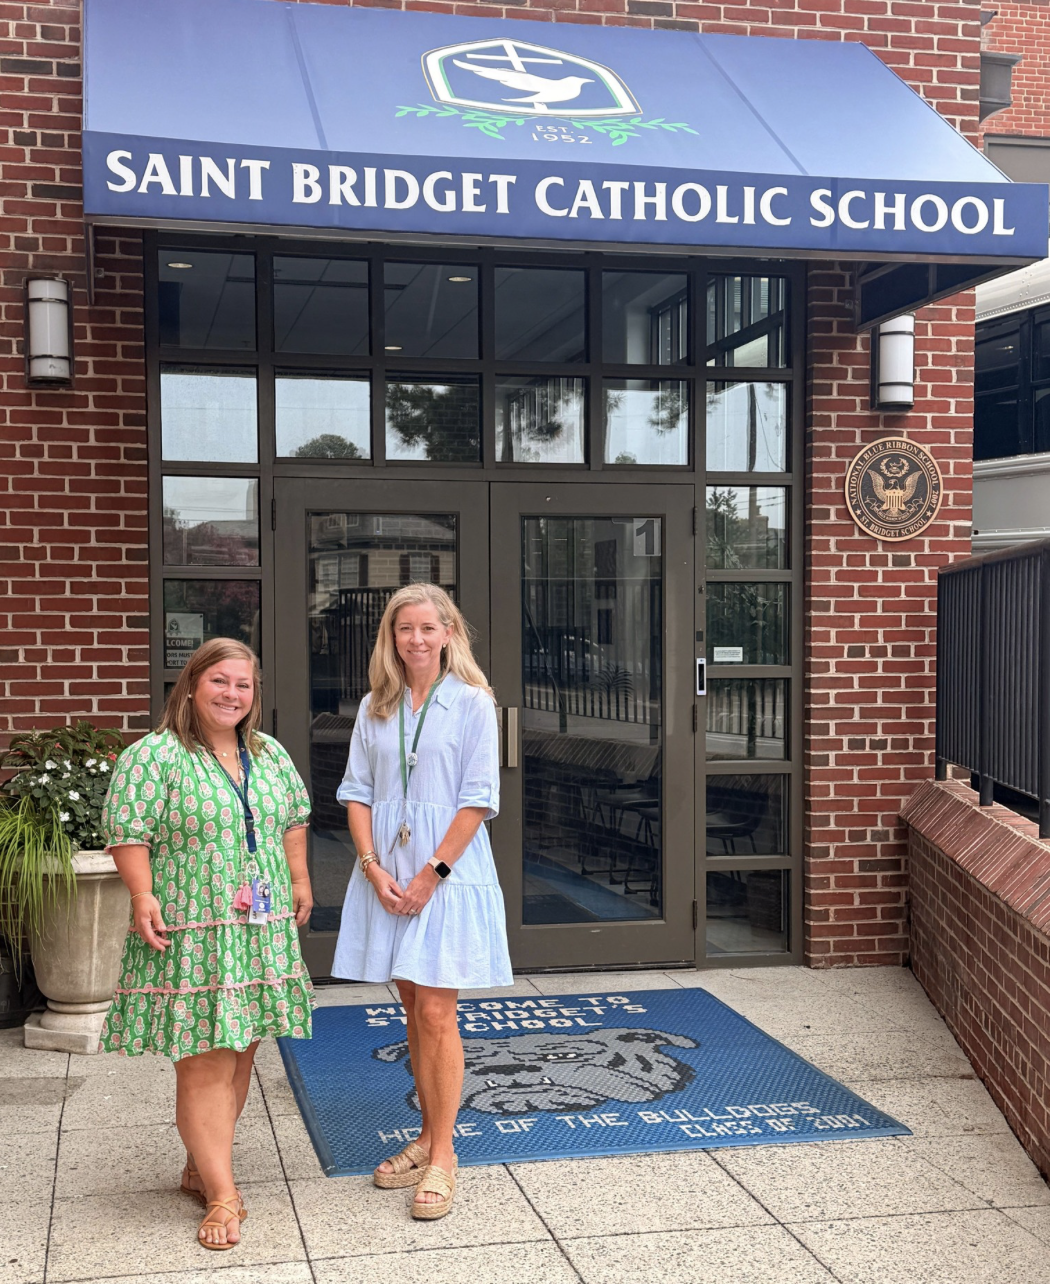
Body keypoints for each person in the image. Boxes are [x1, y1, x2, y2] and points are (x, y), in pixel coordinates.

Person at [100, 637, 314, 1251]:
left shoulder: (267, 753)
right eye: (220, 681)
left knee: (242, 1050)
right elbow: (128, 831)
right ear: (191, 686)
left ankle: (202, 1163)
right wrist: (142, 895)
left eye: (243, 685)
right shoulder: (155, 756)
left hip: (257, 926)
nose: (231, 694)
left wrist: (300, 878)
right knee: (203, 1061)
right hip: (191, 929)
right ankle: (223, 1194)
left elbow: (292, 819)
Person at [333, 583, 512, 1220]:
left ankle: (443, 1157)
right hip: (387, 870)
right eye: (403, 629)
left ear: (448, 634)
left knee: (436, 1010)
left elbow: (478, 799)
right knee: (411, 1006)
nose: (415, 639)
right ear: (391, 637)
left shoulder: (471, 703)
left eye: (427, 628)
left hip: (447, 870)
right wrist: (372, 865)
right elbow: (355, 791)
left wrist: (432, 873)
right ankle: (431, 1136)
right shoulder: (374, 707)